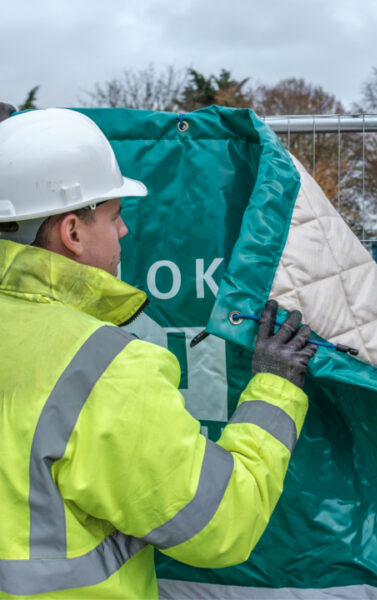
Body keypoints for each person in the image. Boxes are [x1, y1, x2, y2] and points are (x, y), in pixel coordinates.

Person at [0, 107, 316, 598]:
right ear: (73, 233)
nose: (124, 232)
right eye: (115, 215)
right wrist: (276, 387)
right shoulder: (102, 370)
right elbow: (222, 524)